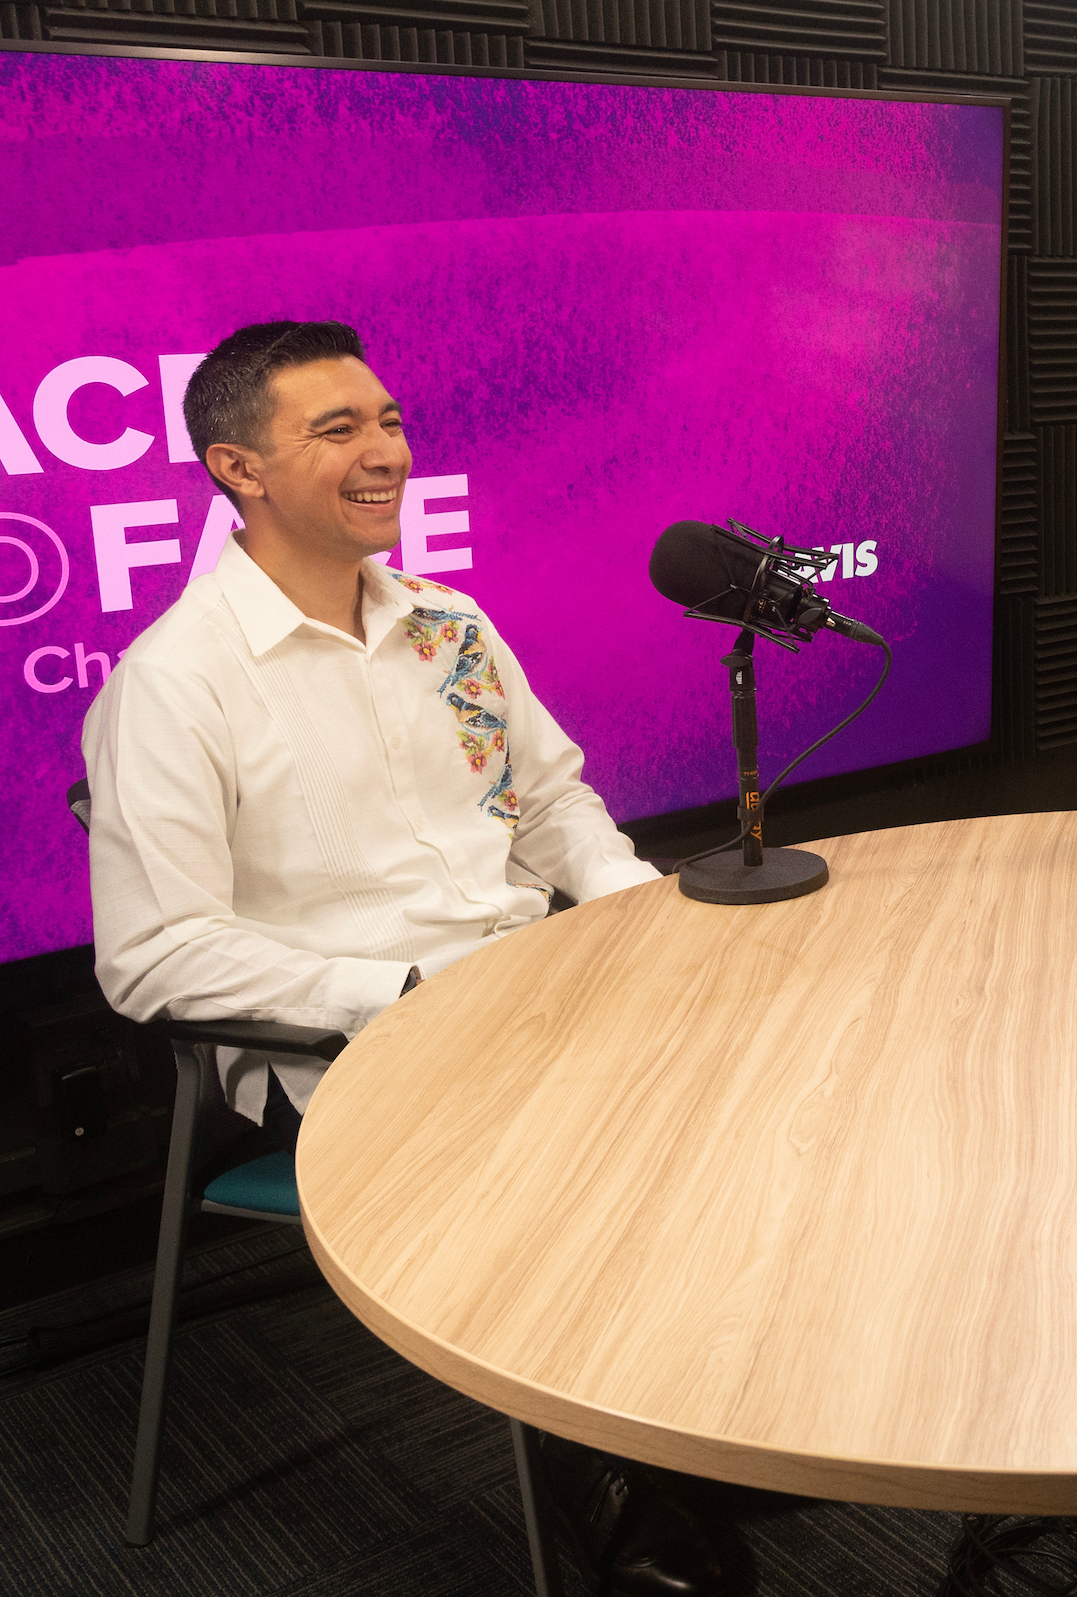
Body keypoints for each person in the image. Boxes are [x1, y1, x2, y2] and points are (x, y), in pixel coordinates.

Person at [83, 320, 725, 1597]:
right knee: (610, 1151)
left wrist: (630, 909)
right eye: (338, 431)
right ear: (238, 470)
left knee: (766, 1066)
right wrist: (404, 994)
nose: (386, 452)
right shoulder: (176, 685)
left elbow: (552, 804)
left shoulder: (447, 626)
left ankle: (710, 1404)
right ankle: (632, 1487)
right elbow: (152, 955)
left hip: (534, 989)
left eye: (387, 420)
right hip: (349, 1045)